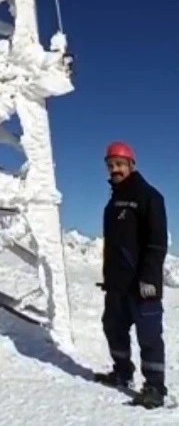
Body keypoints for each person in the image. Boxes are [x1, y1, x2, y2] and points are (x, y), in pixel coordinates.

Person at [95, 141, 168, 408]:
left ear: (131, 165)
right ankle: (122, 372)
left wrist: (149, 278)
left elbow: (157, 242)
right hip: (117, 284)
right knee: (113, 328)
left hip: (142, 284)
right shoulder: (113, 201)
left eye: (120, 164)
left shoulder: (149, 197)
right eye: (111, 164)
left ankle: (155, 387)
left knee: (148, 335)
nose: (115, 169)